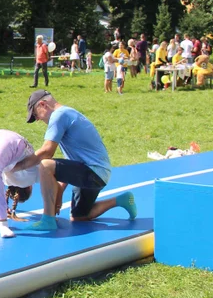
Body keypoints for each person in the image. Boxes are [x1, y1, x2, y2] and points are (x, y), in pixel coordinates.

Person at [13, 91, 136, 229]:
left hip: (93, 171)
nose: (38, 120)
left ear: (43, 104)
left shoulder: (58, 115)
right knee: (79, 216)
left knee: (45, 165)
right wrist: (59, 191)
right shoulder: (68, 113)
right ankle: (122, 200)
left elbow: (47, 152)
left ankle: (48, 220)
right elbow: (70, 161)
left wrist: (14, 167)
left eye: (36, 115)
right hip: (100, 173)